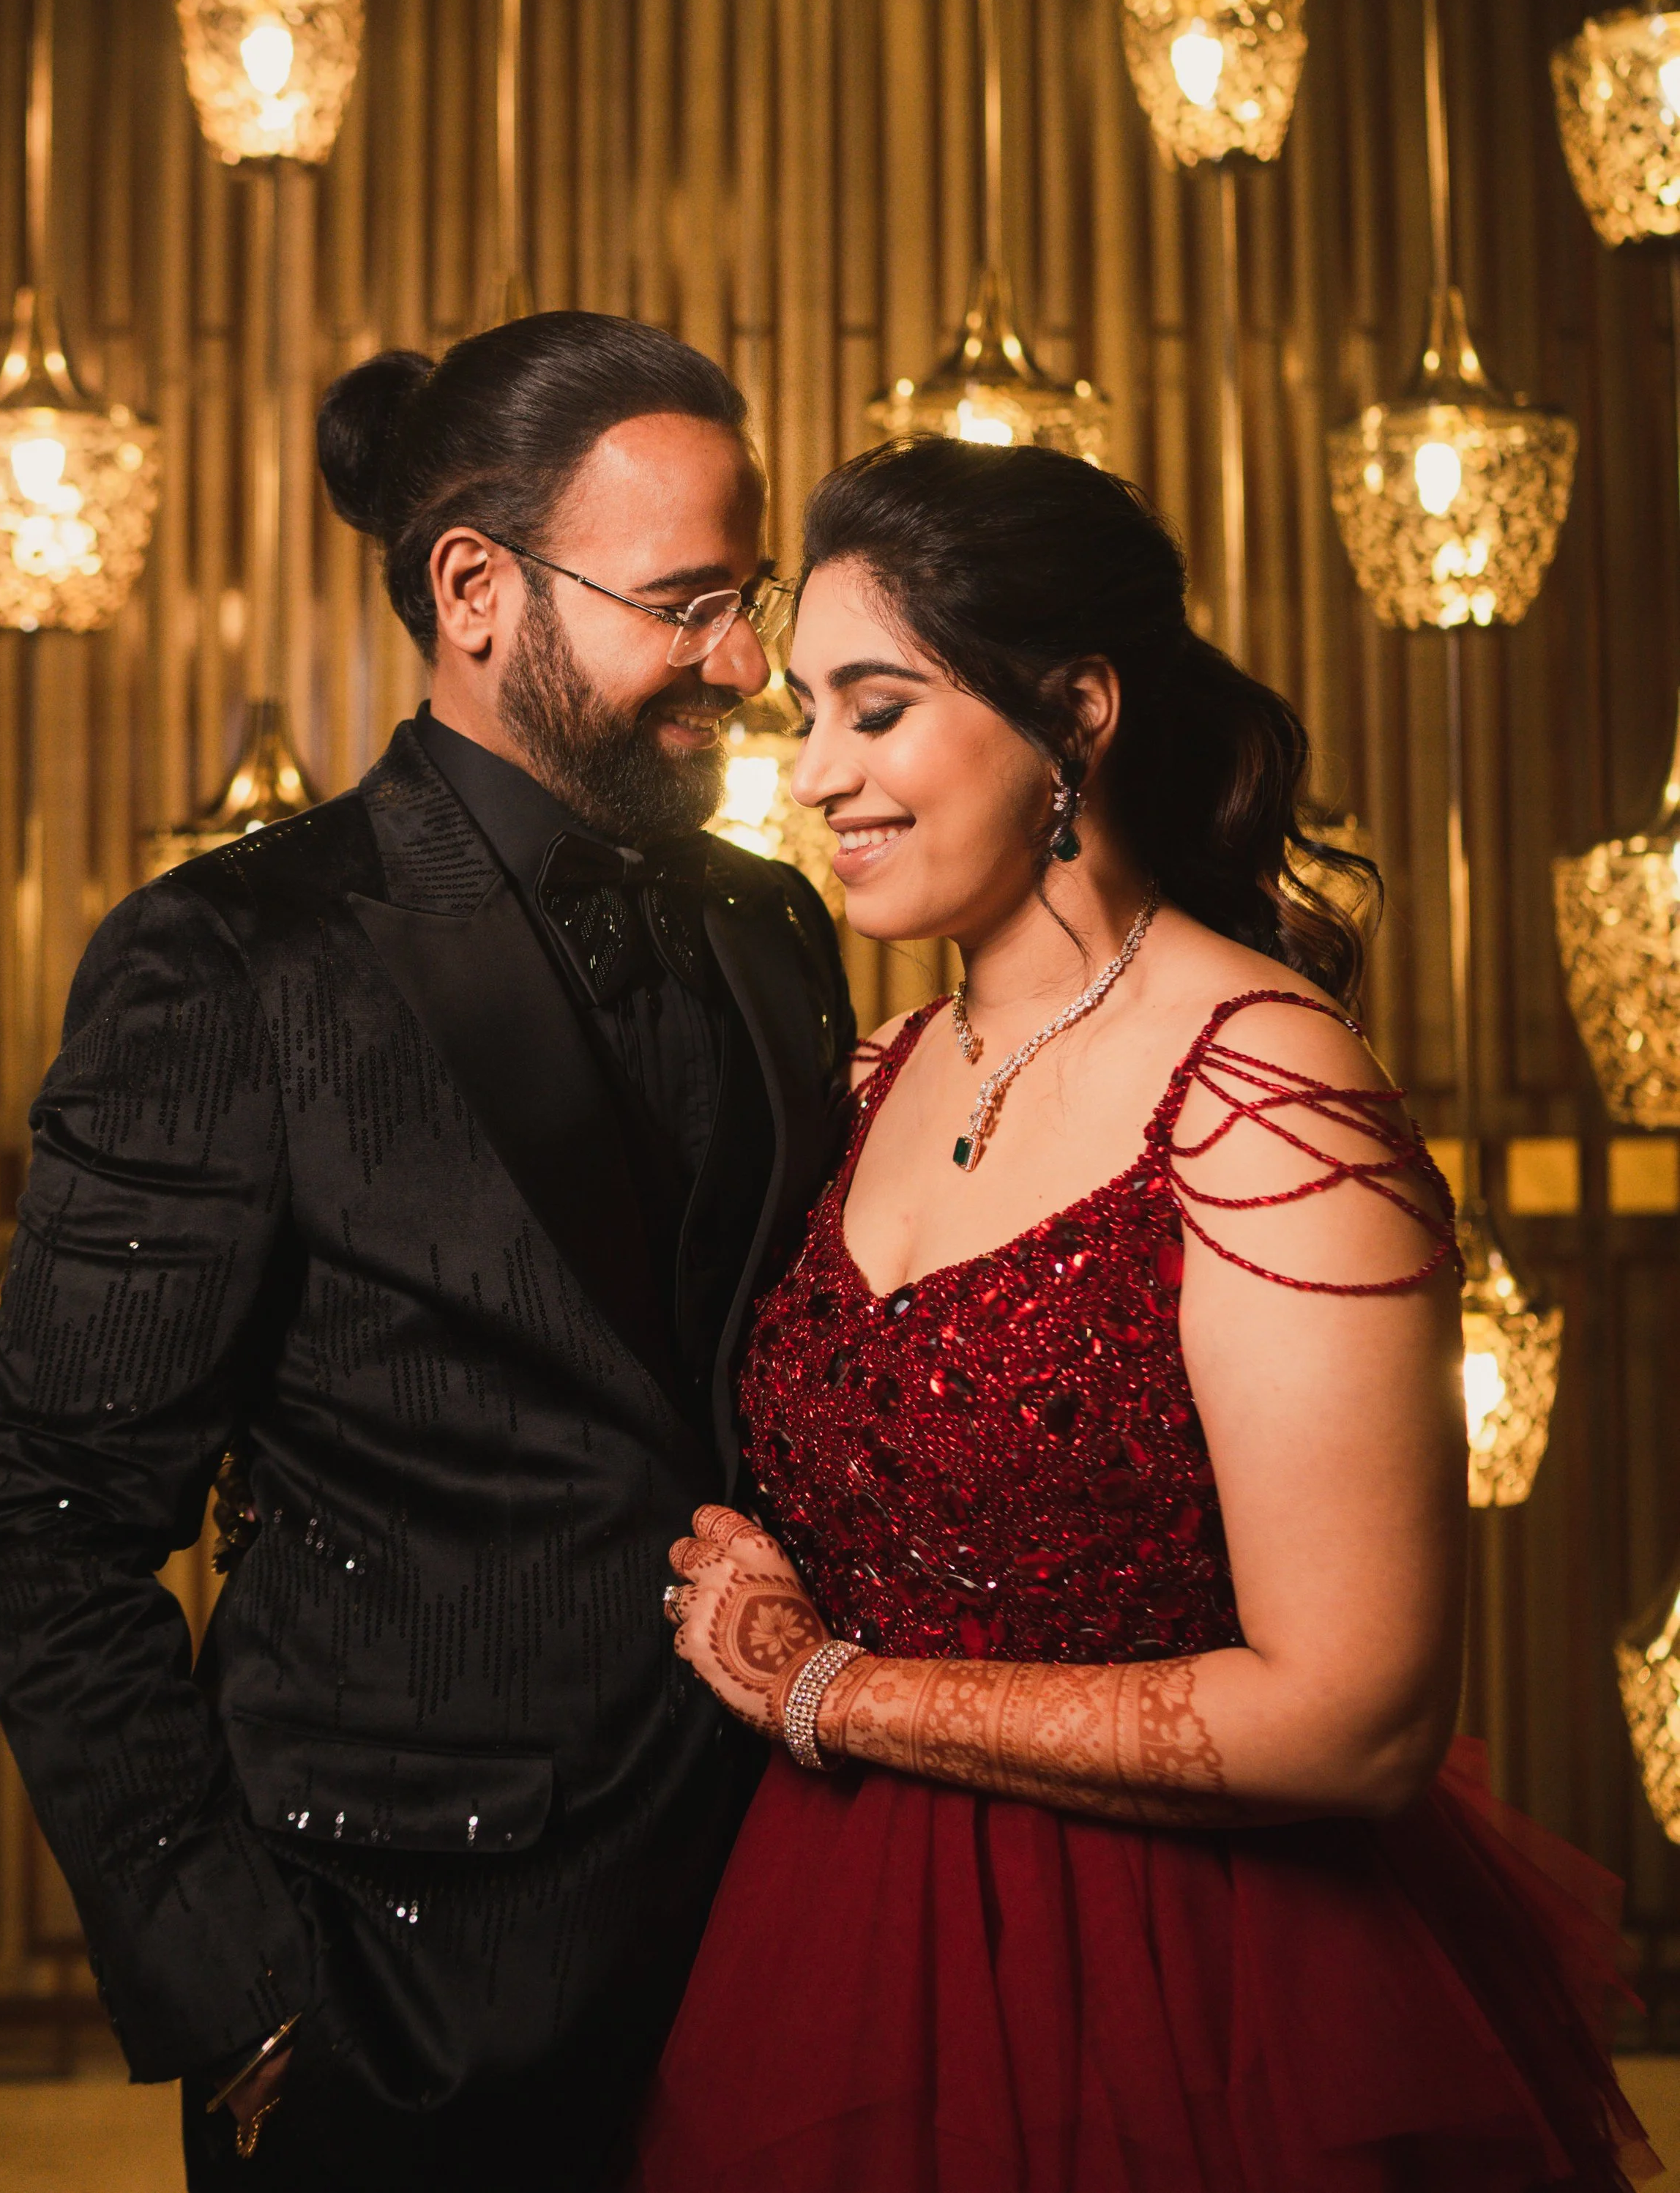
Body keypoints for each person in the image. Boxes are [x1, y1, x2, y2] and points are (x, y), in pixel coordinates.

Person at [636, 434, 1657, 2193]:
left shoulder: (1257, 1084)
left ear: (1078, 715)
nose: (811, 776)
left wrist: (824, 1689)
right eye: (800, 715)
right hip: (837, 1957)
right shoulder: (872, 1070)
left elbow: (1354, 1718)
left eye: (872, 712)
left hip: (1190, 1995)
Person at [0, 312, 855, 2193]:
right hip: (388, 2002)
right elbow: (47, 1520)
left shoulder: (777, 926)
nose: (751, 664)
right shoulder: (229, 960)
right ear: (475, 590)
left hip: (779, 1943)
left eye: (748, 596)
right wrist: (244, 2007)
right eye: (688, 602)